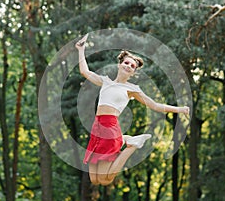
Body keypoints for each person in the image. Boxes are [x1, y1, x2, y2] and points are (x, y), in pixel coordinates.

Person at [75, 34, 189, 186]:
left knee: (105, 180)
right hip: (97, 128)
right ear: (119, 64)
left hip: (110, 128)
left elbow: (154, 105)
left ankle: (132, 145)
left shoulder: (132, 89)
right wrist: (80, 49)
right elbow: (85, 71)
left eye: (132, 66)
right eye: (126, 63)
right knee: (95, 180)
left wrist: (180, 109)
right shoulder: (106, 82)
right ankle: (125, 139)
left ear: (133, 72)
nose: (128, 66)